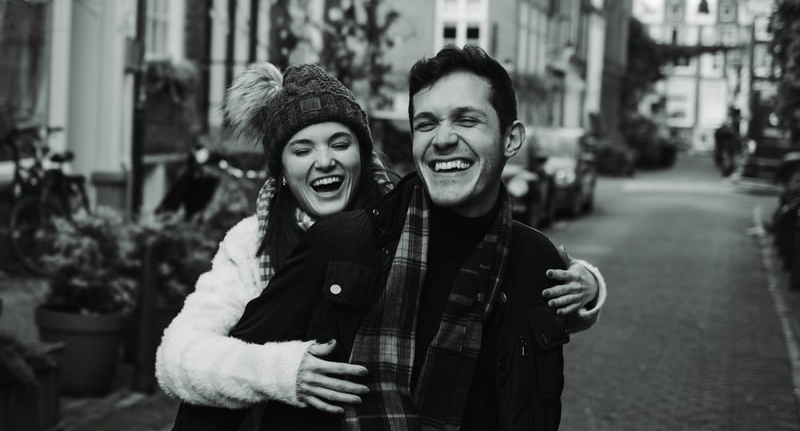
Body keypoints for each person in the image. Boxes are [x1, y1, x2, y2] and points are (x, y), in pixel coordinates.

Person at [156, 54, 606, 429]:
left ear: (364, 154)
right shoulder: (266, 243)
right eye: (302, 149)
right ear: (282, 171)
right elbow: (181, 359)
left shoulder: (404, 220)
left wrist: (587, 287)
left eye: (339, 143)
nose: (324, 161)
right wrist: (286, 371)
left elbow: (520, 296)